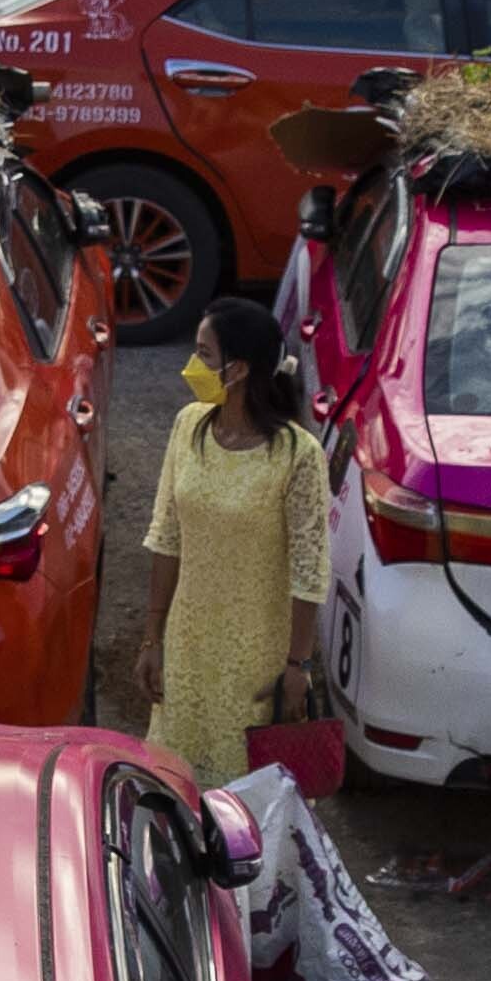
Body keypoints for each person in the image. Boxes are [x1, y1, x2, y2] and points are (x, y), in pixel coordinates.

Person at [131, 295, 327, 784]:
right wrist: (152, 640)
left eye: (204, 354)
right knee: (174, 786)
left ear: (236, 369)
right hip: (188, 645)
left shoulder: (296, 455)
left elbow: (309, 571)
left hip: (256, 658)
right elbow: (167, 537)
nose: (192, 366)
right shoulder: (187, 427)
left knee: (246, 797)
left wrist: (297, 666)